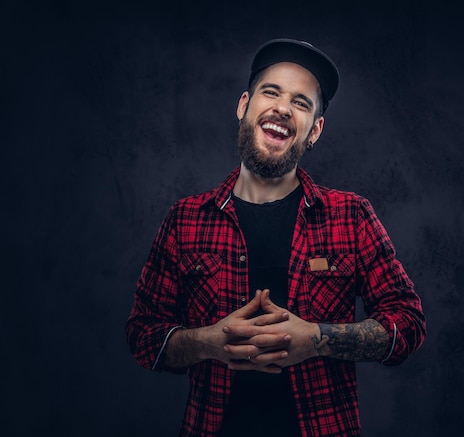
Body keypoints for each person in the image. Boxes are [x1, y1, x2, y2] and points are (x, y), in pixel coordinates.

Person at [126, 38, 426, 437]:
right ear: (243, 106)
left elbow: (407, 325)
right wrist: (208, 342)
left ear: (315, 130)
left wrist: (318, 339)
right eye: (272, 92)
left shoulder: (351, 215)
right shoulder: (185, 219)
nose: (283, 107)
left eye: (301, 102)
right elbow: (143, 334)